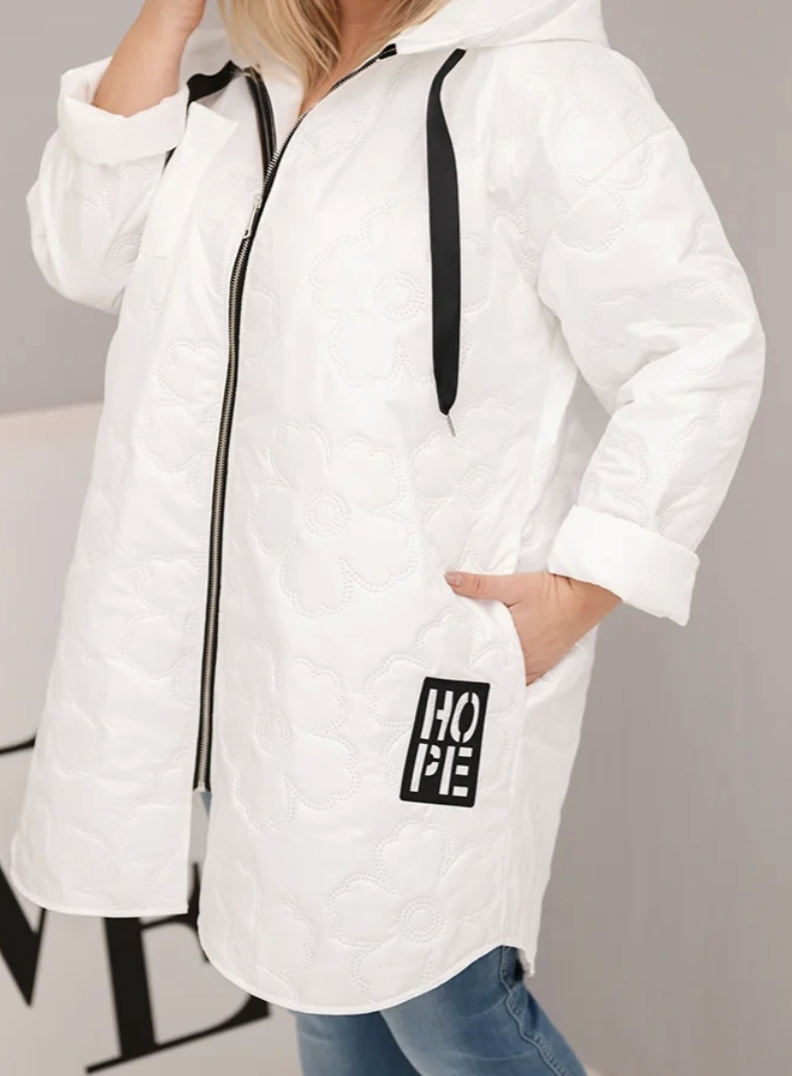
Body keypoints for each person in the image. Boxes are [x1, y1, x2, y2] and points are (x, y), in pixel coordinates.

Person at [10, 0, 765, 1072]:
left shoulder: (542, 86)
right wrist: (172, 16)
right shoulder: (237, 86)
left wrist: (582, 588)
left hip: (425, 662)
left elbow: (700, 344)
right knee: (325, 997)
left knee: (447, 1008)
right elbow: (85, 250)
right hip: (256, 674)